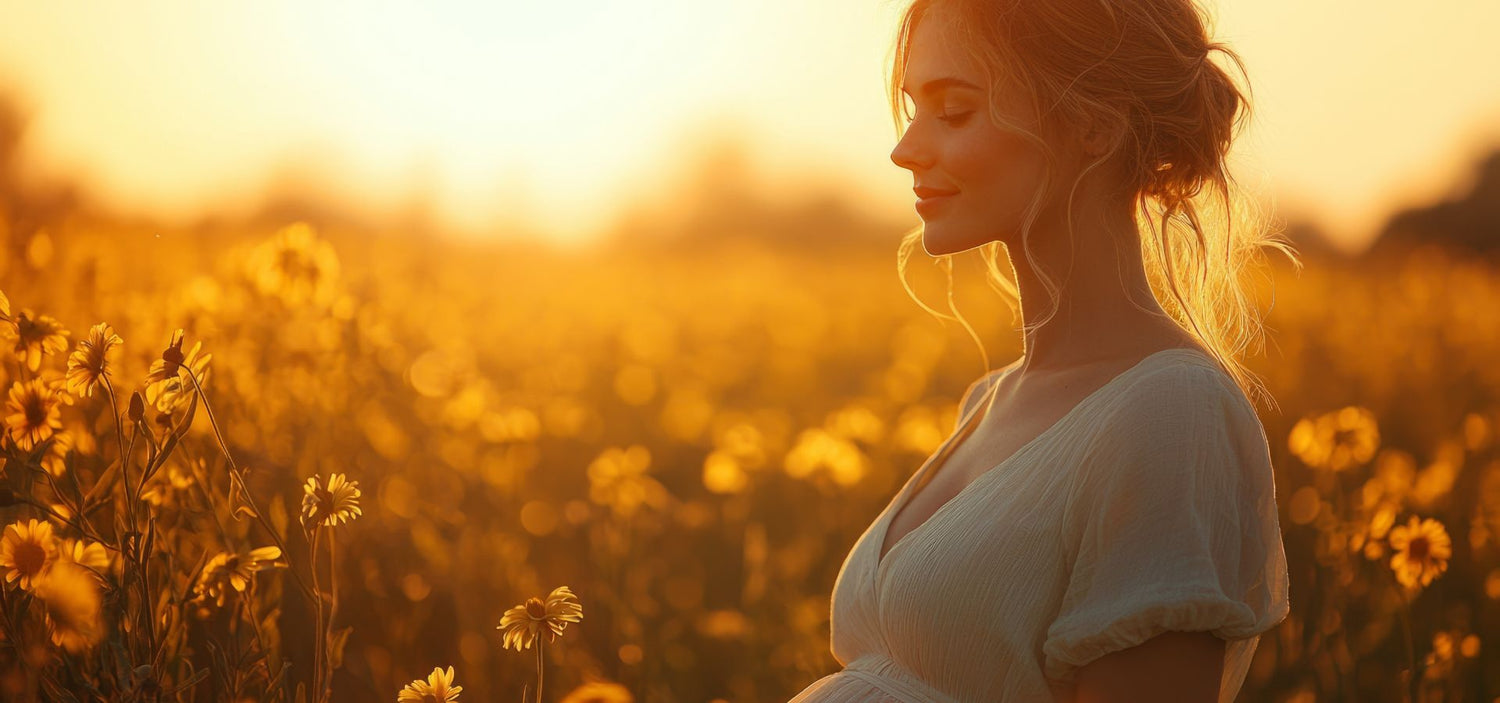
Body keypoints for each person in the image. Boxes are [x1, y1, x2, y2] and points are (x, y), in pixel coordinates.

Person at [787, 0, 1295, 701]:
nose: (905, 149)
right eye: (912, 109)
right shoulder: (990, 398)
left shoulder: (1173, 412)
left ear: (1093, 125)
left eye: (954, 111)